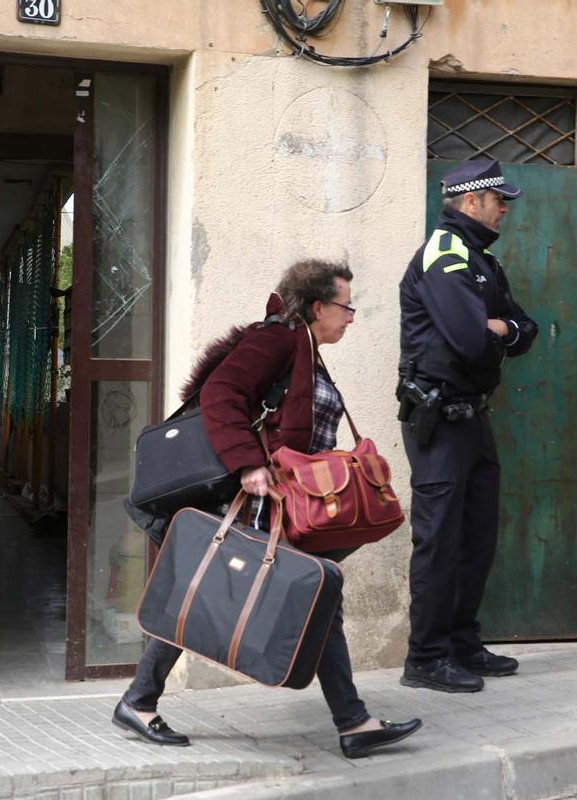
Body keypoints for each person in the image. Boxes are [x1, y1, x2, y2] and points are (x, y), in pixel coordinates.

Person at [113, 259, 422, 759]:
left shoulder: (305, 348)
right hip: (258, 500)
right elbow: (220, 393)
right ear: (318, 305)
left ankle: (354, 722)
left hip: (284, 503)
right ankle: (139, 700)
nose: (351, 316)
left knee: (305, 594)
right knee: (220, 589)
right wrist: (248, 467)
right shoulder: (277, 338)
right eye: (346, 305)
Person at [396, 159, 538, 693]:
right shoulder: (444, 254)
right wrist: (498, 329)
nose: (505, 209)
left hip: (473, 416)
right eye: (500, 200)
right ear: (472, 202)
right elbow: (469, 339)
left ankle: (461, 641)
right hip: (439, 418)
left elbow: (528, 329)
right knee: (438, 539)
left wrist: (498, 327)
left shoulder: (480, 261)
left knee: (476, 534)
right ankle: (425, 658)